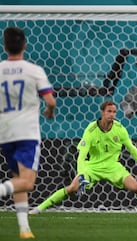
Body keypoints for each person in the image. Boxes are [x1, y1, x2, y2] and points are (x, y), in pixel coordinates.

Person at [30, 100, 137, 215]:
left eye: (114, 112)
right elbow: (81, 156)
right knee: (72, 188)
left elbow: (132, 149)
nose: (112, 115)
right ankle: (39, 208)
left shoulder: (120, 129)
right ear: (102, 112)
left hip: (113, 166)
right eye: (109, 111)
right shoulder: (91, 130)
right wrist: (81, 174)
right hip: (92, 167)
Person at [0, 26, 56, 239]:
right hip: (26, 133)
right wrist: (49, 111)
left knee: (18, 178)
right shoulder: (33, 70)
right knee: (28, 182)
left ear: (5, 47)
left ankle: (24, 229)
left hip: (4, 132)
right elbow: (50, 100)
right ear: (25, 45)